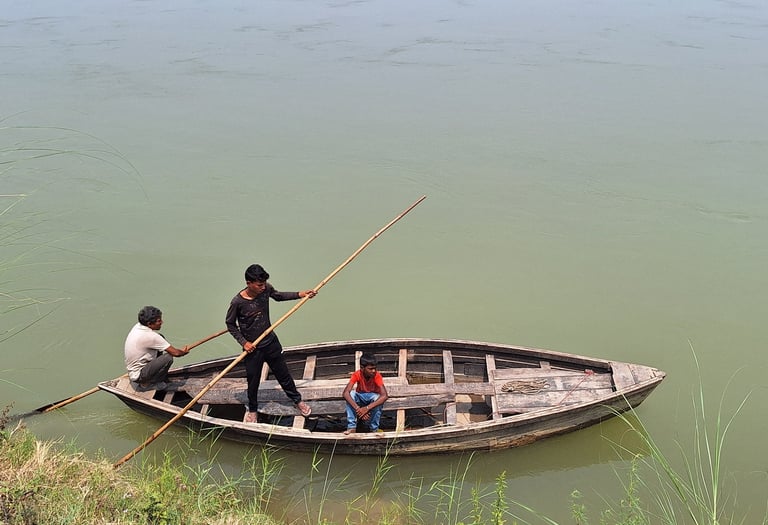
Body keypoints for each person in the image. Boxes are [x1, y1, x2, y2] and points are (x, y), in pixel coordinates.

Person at [225, 263, 316, 423]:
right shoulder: (237, 302)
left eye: (264, 284)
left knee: (284, 375)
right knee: (253, 381)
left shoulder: (266, 289)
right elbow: (230, 324)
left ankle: (297, 401)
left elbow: (278, 296)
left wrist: (301, 294)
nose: (263, 287)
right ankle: (252, 409)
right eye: (259, 284)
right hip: (253, 349)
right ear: (249, 283)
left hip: (271, 342)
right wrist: (244, 342)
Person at [124, 305, 189, 392]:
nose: (162, 322)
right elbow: (176, 353)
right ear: (149, 324)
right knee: (168, 358)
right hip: (139, 376)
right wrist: (183, 352)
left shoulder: (138, 327)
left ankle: (153, 377)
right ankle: (149, 384)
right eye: (159, 321)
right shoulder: (151, 336)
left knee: (161, 337)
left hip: (136, 370)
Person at [342, 352, 389, 435]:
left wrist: (367, 408)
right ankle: (351, 427)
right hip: (360, 398)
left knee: (378, 398)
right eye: (370, 369)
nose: (373, 371)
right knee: (351, 394)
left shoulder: (377, 376)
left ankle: (374, 429)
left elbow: (384, 396)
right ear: (362, 368)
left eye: (375, 368)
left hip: (372, 400)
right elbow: (345, 393)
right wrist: (358, 409)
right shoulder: (357, 374)